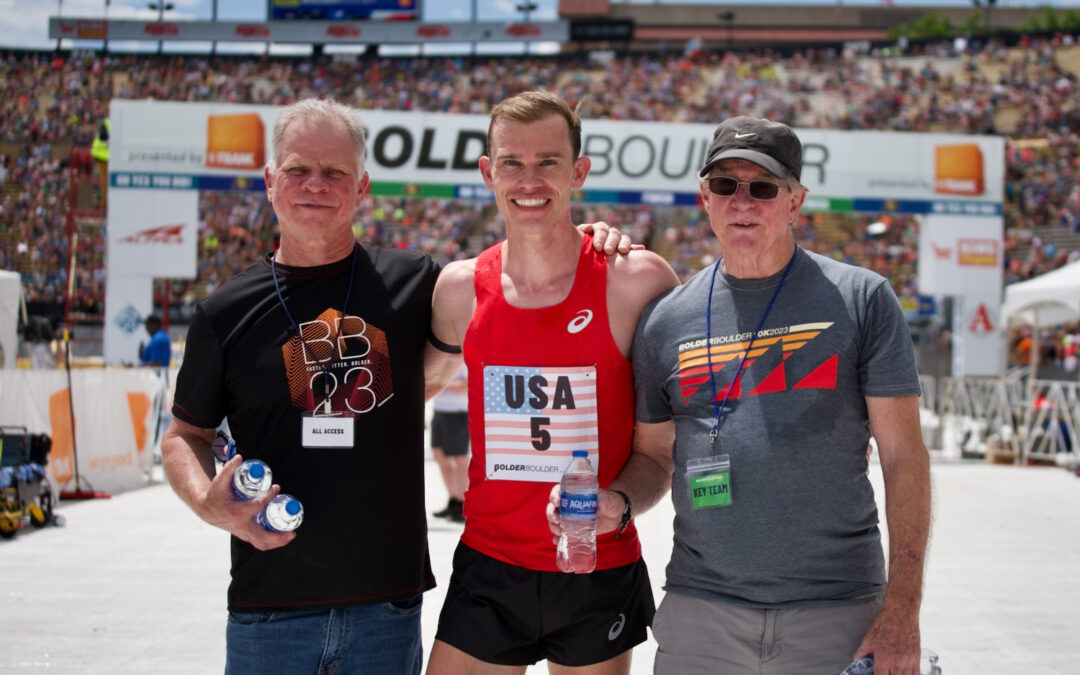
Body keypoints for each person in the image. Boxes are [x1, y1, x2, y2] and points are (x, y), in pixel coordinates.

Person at [160, 97, 632, 674]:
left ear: (361, 189)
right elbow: (185, 433)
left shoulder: (417, 285)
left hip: (386, 605)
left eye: (334, 172)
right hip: (270, 604)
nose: (315, 185)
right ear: (269, 181)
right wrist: (210, 504)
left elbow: (519, 268)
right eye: (297, 170)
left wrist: (582, 233)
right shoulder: (223, 312)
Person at [578, 116, 932, 674]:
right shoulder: (666, 320)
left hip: (837, 610)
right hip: (702, 613)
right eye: (725, 185)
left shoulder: (862, 299)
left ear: (795, 202)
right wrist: (618, 504)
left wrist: (903, 607)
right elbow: (653, 455)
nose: (742, 201)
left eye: (763, 187)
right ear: (705, 197)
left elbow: (904, 457)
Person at [424, 91, 681, 674]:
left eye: (549, 162)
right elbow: (415, 389)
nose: (529, 179)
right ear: (488, 172)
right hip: (490, 565)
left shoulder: (636, 282)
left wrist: (616, 506)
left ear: (579, 172)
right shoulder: (458, 290)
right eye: (512, 162)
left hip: (598, 564)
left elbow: (660, 453)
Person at [430, 363, 469, 523]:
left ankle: (462, 503)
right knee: (439, 456)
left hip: (458, 412)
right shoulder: (439, 356)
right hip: (440, 410)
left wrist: (441, 385)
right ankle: (453, 499)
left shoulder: (461, 357)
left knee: (460, 458)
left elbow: (466, 385)